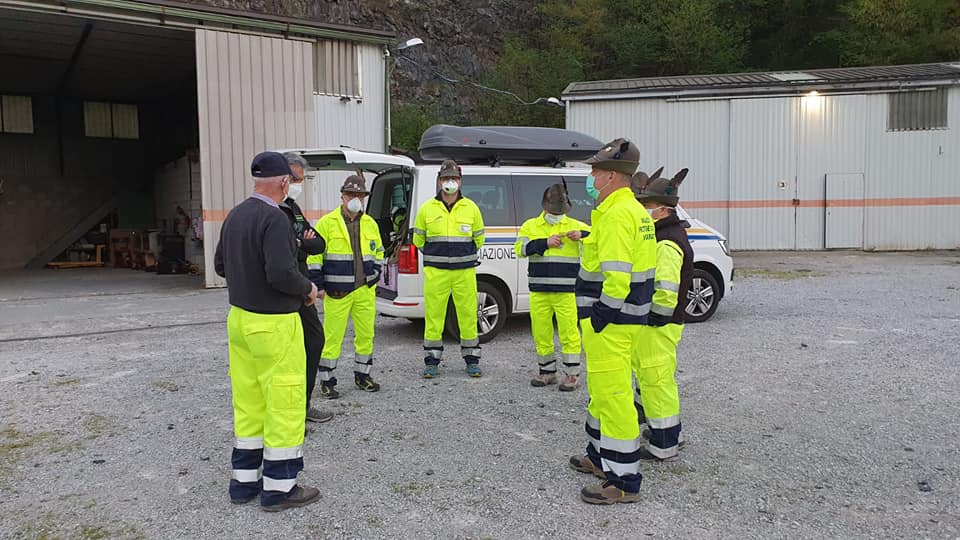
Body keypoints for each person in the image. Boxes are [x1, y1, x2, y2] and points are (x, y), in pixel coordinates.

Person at [213, 151, 320, 512]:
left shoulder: (236, 215)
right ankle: (280, 488)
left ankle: (243, 484)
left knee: (249, 404)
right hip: (275, 324)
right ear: (283, 181)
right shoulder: (274, 219)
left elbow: (220, 266)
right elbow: (281, 274)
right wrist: (307, 288)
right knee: (284, 404)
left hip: (240, 321)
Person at [566, 139, 657, 505]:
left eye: (595, 170)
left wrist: (601, 315)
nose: (591, 175)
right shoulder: (625, 210)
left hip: (612, 322)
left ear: (612, 175)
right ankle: (599, 456)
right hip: (623, 321)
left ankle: (622, 480)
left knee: (614, 396)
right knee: (603, 393)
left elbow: (617, 276)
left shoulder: (619, 214)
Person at [631, 167, 692, 462]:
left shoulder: (667, 242)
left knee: (656, 382)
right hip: (661, 324)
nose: (644, 210)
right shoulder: (666, 234)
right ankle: (668, 432)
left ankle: (664, 444)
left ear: (662, 210)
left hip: (659, 324)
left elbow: (666, 289)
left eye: (647, 206)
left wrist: (655, 316)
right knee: (656, 380)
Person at [306, 175, 385, 398]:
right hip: (336, 292)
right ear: (342, 196)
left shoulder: (370, 223)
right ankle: (327, 381)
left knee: (366, 335)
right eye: (351, 194)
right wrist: (318, 286)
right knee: (332, 337)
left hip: (364, 290)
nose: (355, 199)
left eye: (360, 195)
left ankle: (363, 376)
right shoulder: (327, 222)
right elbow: (314, 257)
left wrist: (375, 274)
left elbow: (378, 252)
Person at [412, 159, 485, 378]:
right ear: (439, 181)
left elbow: (479, 238)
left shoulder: (471, 208)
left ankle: (472, 360)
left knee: (468, 317)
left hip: (464, 273)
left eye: (453, 178)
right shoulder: (427, 209)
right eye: (445, 178)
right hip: (437, 273)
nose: (449, 182)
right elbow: (418, 239)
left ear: (460, 181)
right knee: (434, 317)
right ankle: (432, 362)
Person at [514, 184, 590, 391]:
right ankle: (547, 372)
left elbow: (598, 239)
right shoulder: (530, 226)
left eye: (560, 212)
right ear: (545, 208)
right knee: (541, 332)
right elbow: (520, 249)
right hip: (539, 290)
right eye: (554, 211)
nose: (557, 215)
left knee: (569, 333)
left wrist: (583, 235)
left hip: (566, 291)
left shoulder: (576, 226)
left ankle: (572, 375)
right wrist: (543, 243)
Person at [279, 152, 333, 424]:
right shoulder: (273, 210)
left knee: (314, 340)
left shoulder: (293, 208)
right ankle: (289, 412)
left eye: (301, 179)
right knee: (286, 352)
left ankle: (304, 404)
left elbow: (319, 243)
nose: (299, 184)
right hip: (283, 291)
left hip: (302, 289)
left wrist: (301, 243)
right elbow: (288, 249)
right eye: (295, 178)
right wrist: (301, 243)